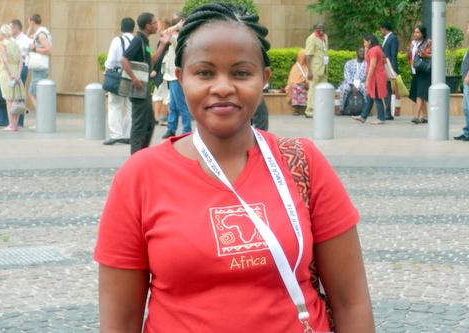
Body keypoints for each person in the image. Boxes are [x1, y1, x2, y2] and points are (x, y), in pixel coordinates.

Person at [94, 3, 375, 332]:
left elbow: (351, 300)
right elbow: (120, 322)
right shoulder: (140, 177)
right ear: (181, 79)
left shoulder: (303, 163)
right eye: (205, 73)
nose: (223, 86)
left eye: (241, 72)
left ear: (264, 79)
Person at [120, 12, 170, 154]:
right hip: (138, 89)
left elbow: (151, 62)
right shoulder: (138, 40)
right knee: (139, 125)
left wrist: (163, 44)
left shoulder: (144, 41)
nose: (156, 25)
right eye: (154, 23)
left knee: (149, 124)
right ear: (148, 25)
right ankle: (136, 157)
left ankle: (141, 154)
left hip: (144, 89)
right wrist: (134, 79)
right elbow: (124, 60)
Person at [103, 17, 135, 146]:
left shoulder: (117, 40)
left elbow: (111, 61)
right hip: (133, 76)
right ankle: (128, 135)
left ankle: (116, 135)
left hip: (118, 75)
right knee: (130, 106)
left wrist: (106, 72)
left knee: (115, 105)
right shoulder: (137, 40)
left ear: (121, 28)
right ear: (133, 28)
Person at [161, 12, 192, 139]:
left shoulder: (179, 38)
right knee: (173, 105)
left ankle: (186, 130)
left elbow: (164, 33)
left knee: (180, 105)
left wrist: (177, 27)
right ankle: (171, 128)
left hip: (175, 77)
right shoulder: (178, 37)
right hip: (171, 76)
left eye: (177, 22)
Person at [352, 34, 388, 124]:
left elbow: (372, 65)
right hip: (376, 76)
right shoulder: (377, 49)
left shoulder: (374, 50)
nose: (363, 44)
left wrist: (367, 80)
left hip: (376, 77)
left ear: (370, 42)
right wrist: (366, 49)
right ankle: (363, 116)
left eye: (365, 42)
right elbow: (367, 59)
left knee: (376, 97)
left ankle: (381, 118)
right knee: (370, 97)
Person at [0, 24, 25, 131]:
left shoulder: (2, 43)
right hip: (16, 72)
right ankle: (15, 125)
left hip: (6, 72)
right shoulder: (15, 43)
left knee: (9, 99)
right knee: (16, 98)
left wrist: (10, 74)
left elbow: (4, 60)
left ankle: (11, 125)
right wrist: (18, 74)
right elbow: (21, 61)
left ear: (2, 33)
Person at [26, 14, 52, 110]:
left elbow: (49, 50)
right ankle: (42, 119)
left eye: (29, 22)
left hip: (40, 69)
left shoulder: (41, 35)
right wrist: (30, 27)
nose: (29, 25)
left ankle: (42, 118)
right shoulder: (39, 33)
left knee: (33, 93)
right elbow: (27, 38)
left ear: (32, 22)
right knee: (35, 93)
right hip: (39, 68)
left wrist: (35, 49)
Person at [407, 25, 431, 124]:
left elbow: (436, 54)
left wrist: (426, 55)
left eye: (418, 32)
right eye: (415, 32)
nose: (415, 34)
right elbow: (410, 56)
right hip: (415, 70)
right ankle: (425, 116)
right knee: (418, 93)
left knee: (420, 94)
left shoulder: (428, 42)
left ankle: (417, 116)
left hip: (424, 70)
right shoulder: (413, 43)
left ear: (422, 33)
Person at [304, 22, 328, 118]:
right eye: (319, 28)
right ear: (315, 28)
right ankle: (310, 111)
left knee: (322, 90)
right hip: (315, 68)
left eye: (322, 28)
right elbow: (308, 55)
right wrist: (309, 71)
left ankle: (320, 110)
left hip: (325, 68)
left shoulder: (325, 37)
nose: (321, 30)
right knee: (313, 89)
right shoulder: (311, 38)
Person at [150, 19, 170, 125]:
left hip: (163, 72)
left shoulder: (165, 41)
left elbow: (160, 58)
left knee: (161, 94)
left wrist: (155, 70)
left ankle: (159, 117)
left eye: (158, 26)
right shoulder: (164, 40)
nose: (157, 28)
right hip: (163, 72)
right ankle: (159, 117)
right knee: (162, 94)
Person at [11, 19, 31, 128]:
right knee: (14, 92)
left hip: (22, 67)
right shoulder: (13, 39)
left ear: (16, 28)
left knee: (19, 92)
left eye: (11, 27)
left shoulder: (24, 39)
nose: (10, 30)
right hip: (14, 67)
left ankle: (19, 121)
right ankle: (14, 120)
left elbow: (28, 51)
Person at [338, 47, 367, 115]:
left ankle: (366, 110)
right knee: (345, 88)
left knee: (366, 88)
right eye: (360, 51)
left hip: (361, 82)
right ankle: (341, 109)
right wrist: (352, 85)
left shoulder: (367, 64)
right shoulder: (349, 63)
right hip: (349, 83)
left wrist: (357, 84)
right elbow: (347, 75)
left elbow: (365, 76)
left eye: (364, 52)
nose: (362, 53)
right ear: (357, 52)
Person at [379, 21, 399, 120]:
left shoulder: (393, 38)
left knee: (388, 91)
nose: (380, 31)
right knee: (387, 90)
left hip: (389, 68)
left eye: (380, 29)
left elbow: (393, 55)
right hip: (386, 67)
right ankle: (388, 112)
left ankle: (388, 113)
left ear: (384, 29)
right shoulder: (387, 38)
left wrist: (393, 70)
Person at [454, 21, 469, 141]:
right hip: (466, 82)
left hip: (468, 81)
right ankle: (467, 131)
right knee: (466, 108)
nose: (467, 30)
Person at [284, 49, 308, 115]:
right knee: (294, 87)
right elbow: (291, 80)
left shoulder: (309, 66)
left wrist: (307, 83)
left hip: (306, 85)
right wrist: (300, 83)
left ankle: (307, 109)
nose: (305, 59)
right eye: (304, 57)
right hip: (297, 85)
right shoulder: (295, 67)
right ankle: (296, 109)